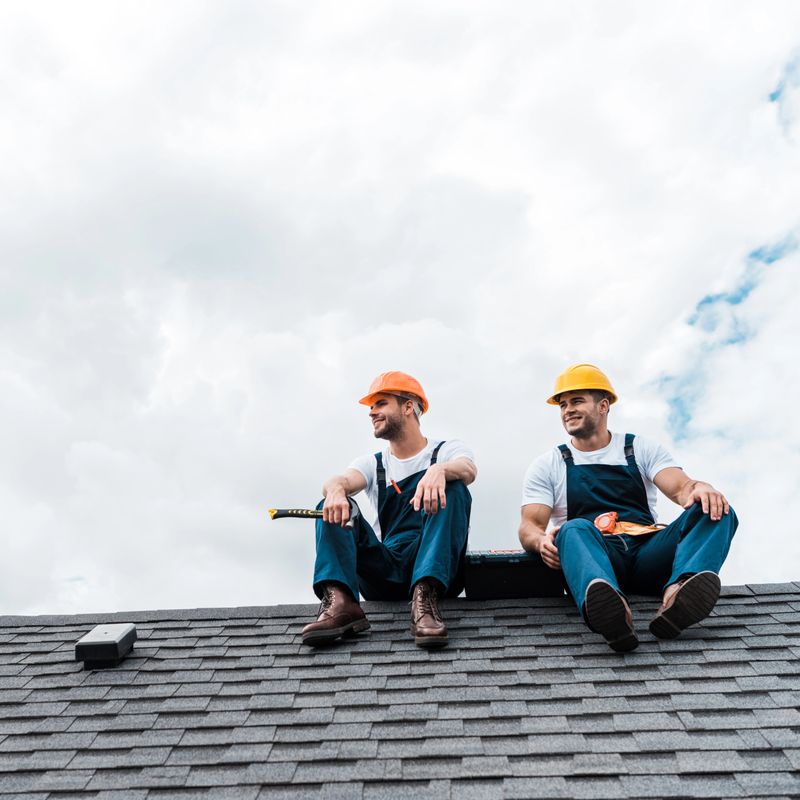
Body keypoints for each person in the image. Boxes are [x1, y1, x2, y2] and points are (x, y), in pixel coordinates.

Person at [519, 364, 738, 652]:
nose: (567, 410)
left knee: (717, 509)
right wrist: (540, 540)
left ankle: (679, 592)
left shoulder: (639, 449)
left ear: (603, 406)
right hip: (597, 556)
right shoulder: (549, 464)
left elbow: (682, 488)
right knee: (571, 529)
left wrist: (702, 488)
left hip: (648, 553)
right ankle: (611, 610)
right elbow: (529, 526)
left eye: (577, 401)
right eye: (562, 404)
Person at [303, 371, 476, 649]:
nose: (372, 412)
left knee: (455, 488)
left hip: (436, 566)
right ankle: (341, 602)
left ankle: (425, 599)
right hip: (388, 568)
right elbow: (341, 480)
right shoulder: (373, 463)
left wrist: (440, 470)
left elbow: (468, 469)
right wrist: (335, 490)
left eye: (381, 403)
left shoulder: (446, 450)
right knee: (331, 505)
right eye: (371, 407)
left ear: (408, 406)